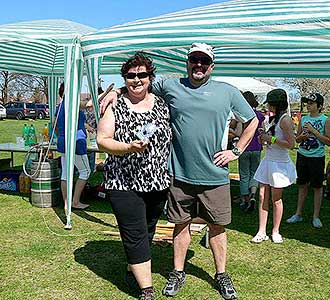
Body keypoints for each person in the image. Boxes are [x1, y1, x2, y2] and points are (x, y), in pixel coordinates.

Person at [101, 42, 258, 300]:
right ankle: (177, 272)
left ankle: (221, 274)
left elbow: (251, 121)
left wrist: (236, 151)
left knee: (217, 227)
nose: (199, 64)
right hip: (178, 175)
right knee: (180, 224)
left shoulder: (227, 91)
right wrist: (116, 91)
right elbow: (140, 85)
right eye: (194, 59)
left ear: (211, 66)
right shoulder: (171, 86)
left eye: (204, 61)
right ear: (187, 62)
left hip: (215, 175)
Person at [97, 52, 172, 300]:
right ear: (124, 78)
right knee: (134, 232)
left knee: (148, 228)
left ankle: (134, 266)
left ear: (150, 77)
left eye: (142, 75)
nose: (136, 80)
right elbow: (103, 141)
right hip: (123, 182)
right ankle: (147, 290)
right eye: (130, 76)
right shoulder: (115, 105)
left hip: (157, 182)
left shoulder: (163, 103)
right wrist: (128, 147)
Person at [251, 89, 296, 243]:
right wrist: (264, 137)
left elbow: (291, 144)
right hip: (268, 161)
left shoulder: (285, 120)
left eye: (270, 104)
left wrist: (272, 139)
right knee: (262, 195)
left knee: (276, 199)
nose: (268, 107)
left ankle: (275, 231)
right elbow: (269, 141)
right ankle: (261, 231)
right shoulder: (270, 119)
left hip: (279, 164)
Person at [287, 93, 330, 228]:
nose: (308, 105)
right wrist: (303, 136)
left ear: (319, 106)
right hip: (302, 155)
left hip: (317, 157)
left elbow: (329, 141)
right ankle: (298, 214)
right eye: (307, 103)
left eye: (311, 103)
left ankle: (316, 216)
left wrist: (314, 132)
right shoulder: (303, 118)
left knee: (317, 187)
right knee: (302, 184)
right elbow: (297, 139)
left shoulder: (326, 120)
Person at [54, 83, 90, 210]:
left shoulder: (59, 107)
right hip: (76, 142)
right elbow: (89, 104)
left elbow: (54, 125)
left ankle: (66, 203)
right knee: (85, 172)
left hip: (63, 142)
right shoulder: (73, 103)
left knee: (65, 174)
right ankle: (75, 202)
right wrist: (107, 93)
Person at [236, 91, 264, 212]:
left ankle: (244, 199)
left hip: (244, 148)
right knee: (254, 173)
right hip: (257, 148)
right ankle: (253, 194)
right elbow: (263, 130)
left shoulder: (240, 115)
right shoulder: (260, 115)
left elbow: (238, 133)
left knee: (244, 174)